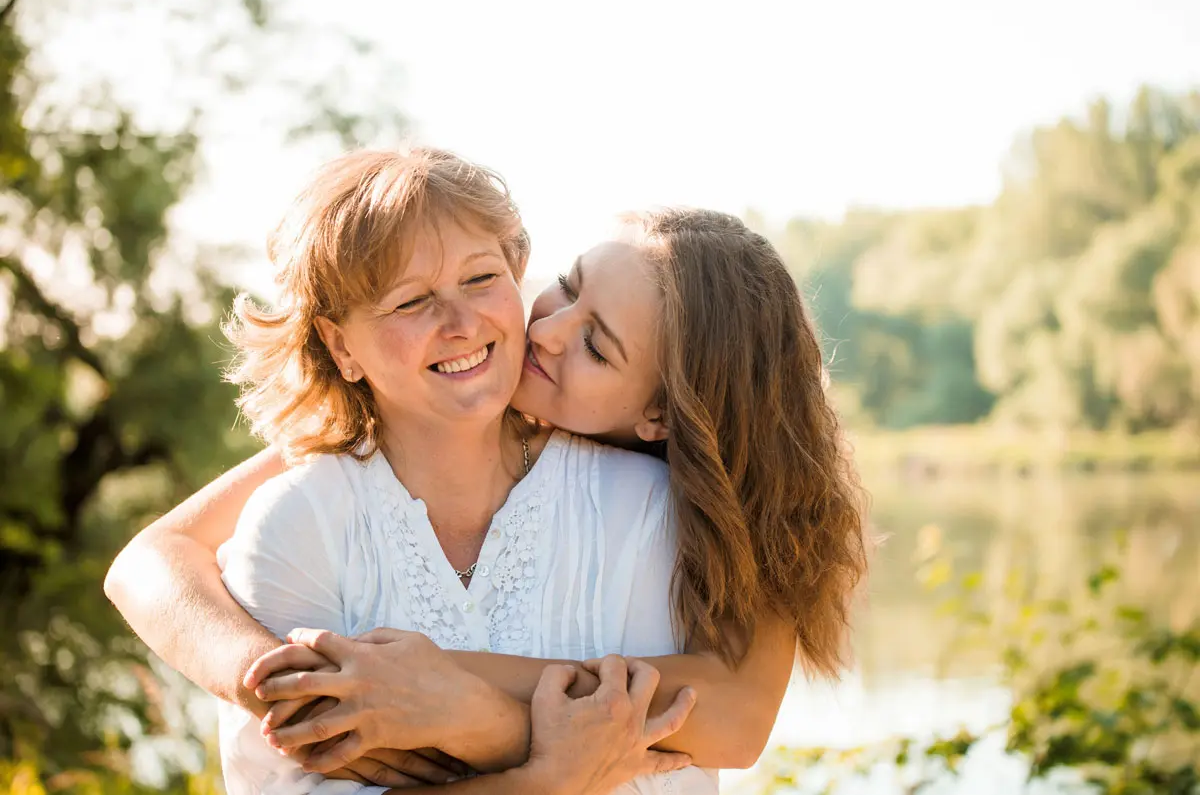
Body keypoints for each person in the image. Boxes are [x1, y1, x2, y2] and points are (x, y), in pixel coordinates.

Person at [105, 148, 868, 792]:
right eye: (567, 286)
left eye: (599, 346)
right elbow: (149, 559)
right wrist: (289, 682)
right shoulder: (340, 476)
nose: (547, 330)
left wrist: (452, 700)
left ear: (661, 418)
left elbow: (730, 721)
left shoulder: (690, 508)